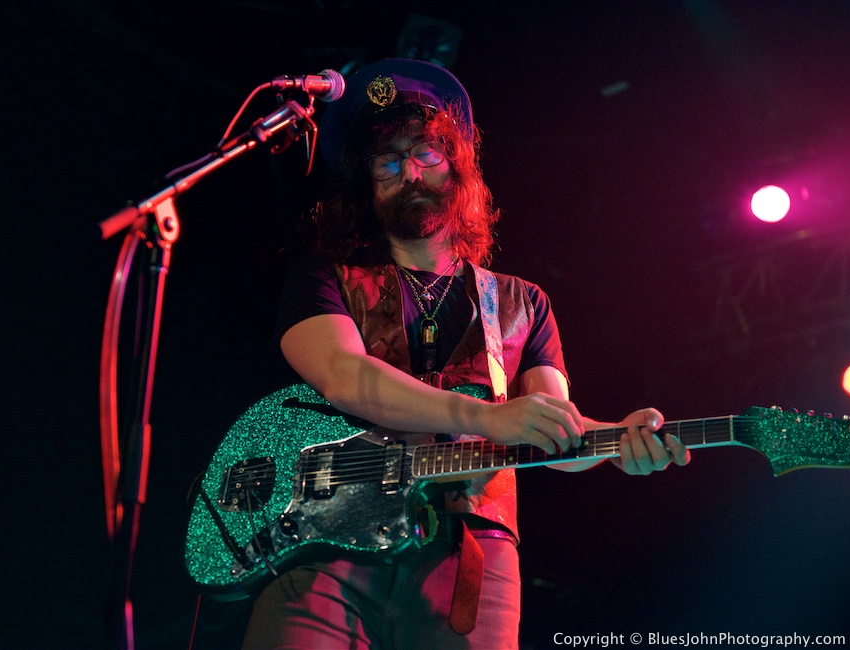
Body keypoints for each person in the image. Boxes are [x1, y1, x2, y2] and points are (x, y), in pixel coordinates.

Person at [241, 58, 691, 649]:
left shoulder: (522, 302)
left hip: (470, 554)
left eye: (426, 154)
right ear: (367, 184)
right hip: (323, 545)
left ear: (457, 166)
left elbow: (552, 426)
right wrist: (483, 416)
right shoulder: (325, 278)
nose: (410, 173)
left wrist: (618, 439)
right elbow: (343, 375)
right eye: (388, 161)